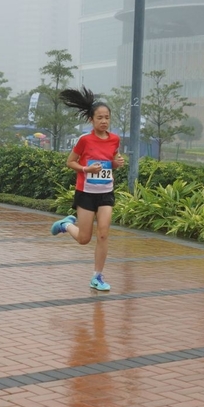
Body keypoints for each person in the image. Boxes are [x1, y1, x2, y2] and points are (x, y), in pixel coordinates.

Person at [50, 86, 124, 291]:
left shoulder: (115, 139)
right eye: (99, 117)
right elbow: (70, 162)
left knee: (103, 233)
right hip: (86, 193)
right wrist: (86, 169)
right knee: (84, 238)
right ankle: (66, 225)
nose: (104, 121)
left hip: (106, 192)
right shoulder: (85, 140)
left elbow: (111, 162)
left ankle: (97, 277)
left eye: (107, 117)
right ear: (91, 120)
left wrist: (116, 163)